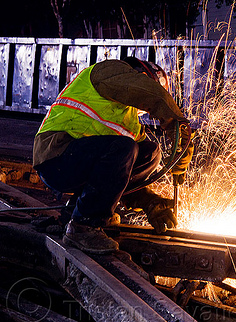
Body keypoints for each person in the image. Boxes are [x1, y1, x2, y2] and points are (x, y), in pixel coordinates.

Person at [33, 57, 193, 254]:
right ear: (140, 76)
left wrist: (150, 202)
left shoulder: (130, 121)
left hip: (79, 162)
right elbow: (150, 93)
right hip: (56, 157)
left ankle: (77, 210)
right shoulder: (108, 71)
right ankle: (83, 227)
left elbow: (119, 172)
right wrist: (177, 124)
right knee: (125, 148)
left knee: (149, 153)